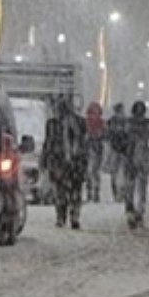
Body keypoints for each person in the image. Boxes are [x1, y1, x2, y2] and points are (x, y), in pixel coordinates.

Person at [41, 96, 89, 229]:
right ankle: (65, 216)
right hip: (62, 162)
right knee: (64, 191)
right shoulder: (53, 124)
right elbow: (48, 143)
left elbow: (84, 144)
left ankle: (70, 216)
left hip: (72, 162)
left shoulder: (79, 123)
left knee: (70, 191)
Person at [124, 100, 149, 228]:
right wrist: (148, 152)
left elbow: (119, 140)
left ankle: (131, 214)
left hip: (130, 160)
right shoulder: (148, 124)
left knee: (130, 189)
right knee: (140, 189)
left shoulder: (128, 123)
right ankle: (138, 214)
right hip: (141, 161)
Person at [106, 103, 132, 204]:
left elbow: (107, 135)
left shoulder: (111, 121)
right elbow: (130, 135)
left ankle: (116, 193)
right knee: (124, 173)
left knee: (115, 173)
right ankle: (123, 192)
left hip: (114, 149)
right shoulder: (127, 121)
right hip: (125, 150)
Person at [83, 101, 106, 202]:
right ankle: (95, 192)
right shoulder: (101, 122)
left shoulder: (86, 122)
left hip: (90, 149)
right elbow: (105, 134)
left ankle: (91, 192)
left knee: (90, 172)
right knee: (95, 172)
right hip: (96, 149)